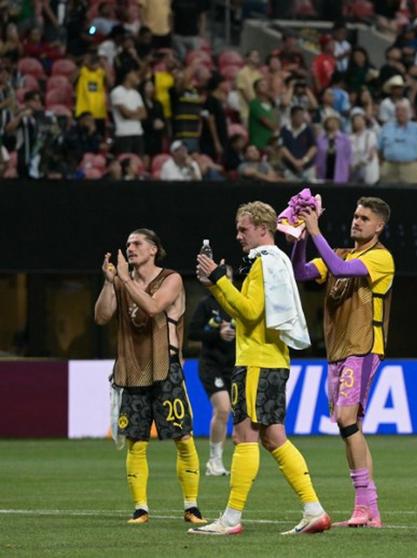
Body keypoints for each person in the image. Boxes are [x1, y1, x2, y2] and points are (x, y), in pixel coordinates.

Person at [190, 201, 330, 536]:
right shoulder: (275, 261)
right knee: (273, 437)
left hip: (255, 362)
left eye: (244, 229)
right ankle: (314, 510)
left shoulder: (263, 263)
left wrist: (220, 281)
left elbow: (250, 313)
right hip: (272, 359)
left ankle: (231, 518)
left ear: (263, 229)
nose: (238, 236)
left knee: (245, 436)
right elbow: (246, 313)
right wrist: (216, 286)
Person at [290, 197, 394, 528]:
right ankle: (370, 510)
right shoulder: (343, 252)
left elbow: (341, 270)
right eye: (355, 215)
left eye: (364, 218)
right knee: (348, 427)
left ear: (379, 226)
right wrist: (301, 241)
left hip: (364, 346)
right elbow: (301, 272)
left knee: (347, 420)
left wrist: (315, 230)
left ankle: (364, 505)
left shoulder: (381, 258)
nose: (357, 221)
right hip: (338, 349)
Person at [93, 228, 205, 525]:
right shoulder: (120, 282)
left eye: (137, 243)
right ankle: (140, 508)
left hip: (165, 367)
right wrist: (109, 284)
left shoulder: (171, 279)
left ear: (154, 249)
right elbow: (102, 317)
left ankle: (191, 506)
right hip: (132, 370)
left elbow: (154, 307)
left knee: (182, 437)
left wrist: (124, 280)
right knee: (136, 441)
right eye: (128, 243)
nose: (130, 248)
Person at [188, 274, 236, 477]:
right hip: (211, 365)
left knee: (244, 415)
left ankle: (243, 462)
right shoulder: (206, 305)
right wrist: (218, 333)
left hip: (235, 365)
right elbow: (192, 333)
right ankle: (214, 461)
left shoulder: (237, 301)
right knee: (223, 409)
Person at [377, 100, 417, 183]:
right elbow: (379, 148)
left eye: (403, 110)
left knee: (412, 194)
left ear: (409, 112)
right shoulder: (386, 127)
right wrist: (381, 162)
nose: (400, 113)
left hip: (411, 166)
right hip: (389, 166)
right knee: (387, 194)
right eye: (397, 110)